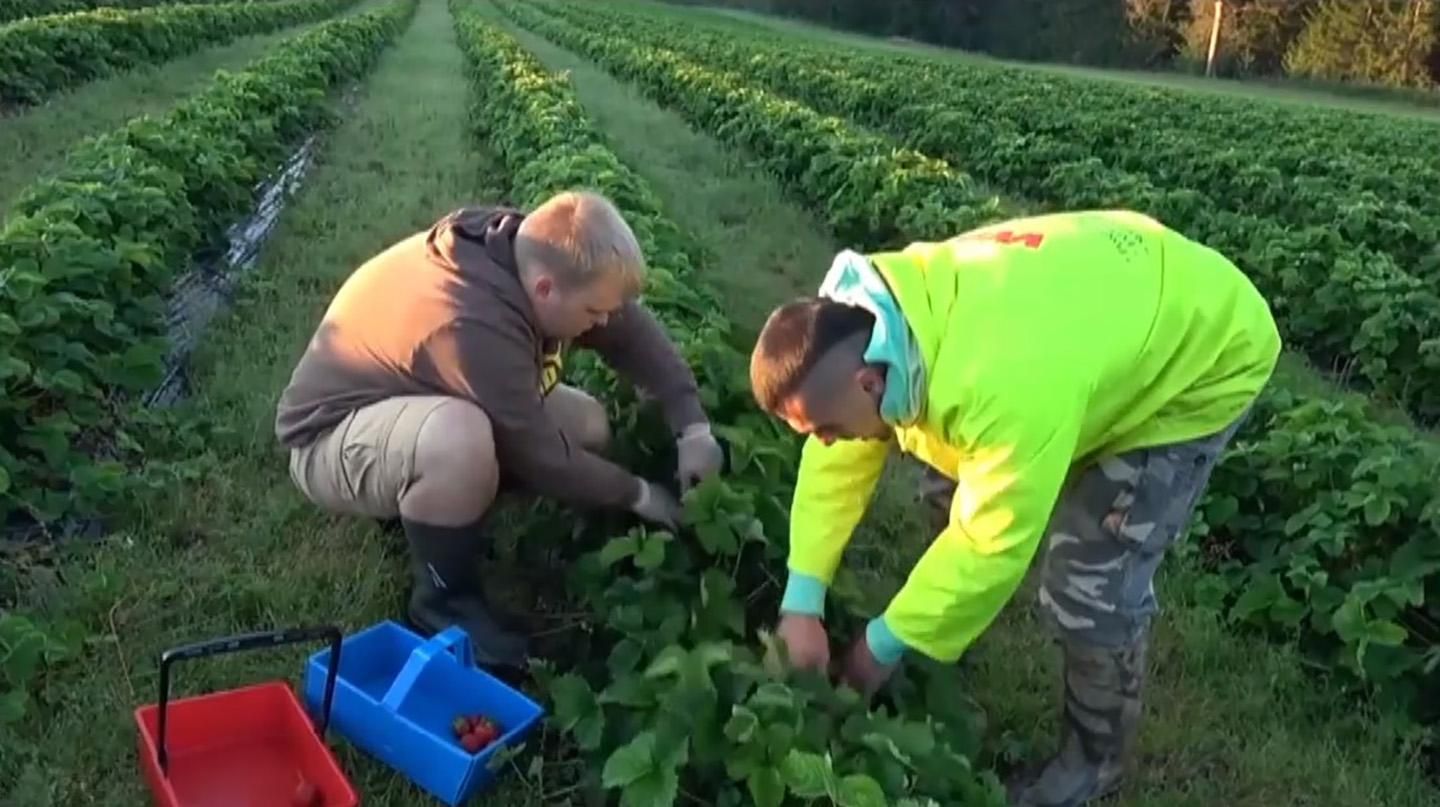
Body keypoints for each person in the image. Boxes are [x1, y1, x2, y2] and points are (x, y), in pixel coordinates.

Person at [747, 210, 1281, 806]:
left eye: (822, 429)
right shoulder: (866, 318)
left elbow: (989, 541)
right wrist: (802, 599)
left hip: (1198, 352)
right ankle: (936, 630)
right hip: (1104, 298)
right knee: (941, 474)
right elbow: (840, 456)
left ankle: (1092, 764)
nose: (821, 443)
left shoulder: (1002, 384)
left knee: (1090, 578)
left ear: (871, 382)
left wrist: (876, 650)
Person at [274, 190, 725, 672]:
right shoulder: (472, 320)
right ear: (547, 290)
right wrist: (637, 494)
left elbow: (631, 333)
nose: (604, 323)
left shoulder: (532, 255)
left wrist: (692, 426)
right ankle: (442, 602)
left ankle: (437, 515)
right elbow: (539, 454)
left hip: (406, 405)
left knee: (586, 425)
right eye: (595, 313)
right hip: (329, 437)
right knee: (459, 440)